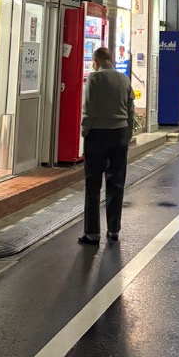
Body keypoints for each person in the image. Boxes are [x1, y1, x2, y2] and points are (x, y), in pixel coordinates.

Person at [78, 45, 135, 245]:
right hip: (119, 133)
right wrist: (128, 133)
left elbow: (88, 108)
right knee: (116, 182)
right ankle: (114, 230)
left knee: (93, 183)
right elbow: (130, 109)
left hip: (98, 134)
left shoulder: (93, 78)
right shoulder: (124, 79)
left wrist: (85, 132)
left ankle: (92, 233)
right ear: (110, 59)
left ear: (97, 61)